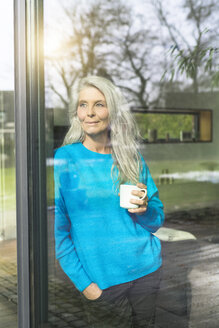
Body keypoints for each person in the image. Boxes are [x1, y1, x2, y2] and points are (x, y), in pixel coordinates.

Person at [54, 76, 165, 328]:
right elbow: (60, 234)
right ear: (77, 113)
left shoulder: (130, 157)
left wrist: (145, 210)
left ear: (112, 111)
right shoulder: (65, 158)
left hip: (146, 271)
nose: (90, 113)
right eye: (83, 105)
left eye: (99, 105)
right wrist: (86, 286)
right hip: (102, 283)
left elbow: (157, 220)